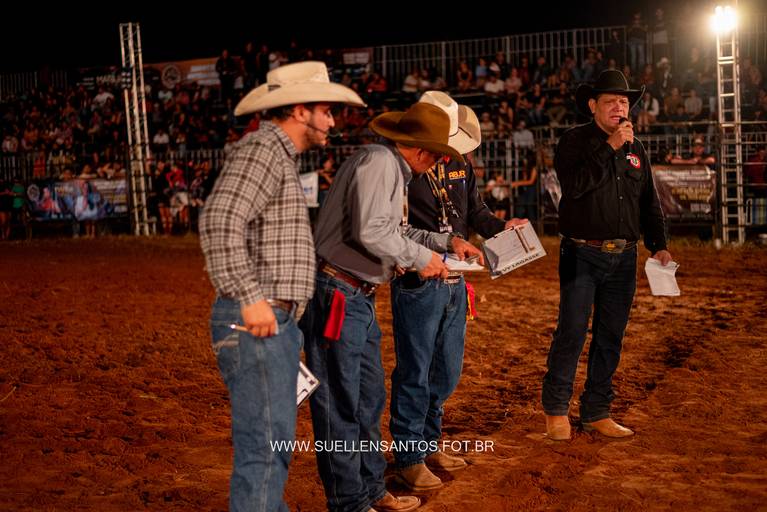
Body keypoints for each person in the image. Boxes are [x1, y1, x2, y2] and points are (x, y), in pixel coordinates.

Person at [198, 61, 365, 512]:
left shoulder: (273, 154)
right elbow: (219, 220)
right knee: (265, 451)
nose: (332, 121)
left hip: (272, 320)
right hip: (260, 320)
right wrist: (250, 298)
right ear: (299, 110)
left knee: (270, 448)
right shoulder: (264, 151)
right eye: (325, 111)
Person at [299, 102, 482, 512]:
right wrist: (422, 258)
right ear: (422, 151)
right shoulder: (381, 164)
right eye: (436, 155)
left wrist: (444, 242)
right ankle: (350, 501)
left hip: (352, 293)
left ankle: (369, 489)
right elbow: (374, 231)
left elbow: (393, 231)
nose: (437, 163)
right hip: (340, 293)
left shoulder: (385, 165)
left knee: (365, 399)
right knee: (342, 403)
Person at [388, 91, 527, 491]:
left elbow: (475, 211)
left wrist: (501, 227)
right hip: (419, 278)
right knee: (416, 371)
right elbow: (396, 228)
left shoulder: (460, 162)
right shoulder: (404, 168)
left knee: (445, 371)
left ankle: (429, 444)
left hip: (455, 279)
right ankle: (410, 456)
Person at [542, 70, 673, 441]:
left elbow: (649, 201)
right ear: (592, 106)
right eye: (611, 101)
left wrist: (659, 243)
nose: (620, 107)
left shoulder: (637, 149)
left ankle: (597, 410)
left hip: (624, 257)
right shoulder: (574, 141)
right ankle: (556, 411)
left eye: (624, 102)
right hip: (581, 253)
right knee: (571, 331)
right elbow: (574, 187)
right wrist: (611, 146)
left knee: (611, 335)